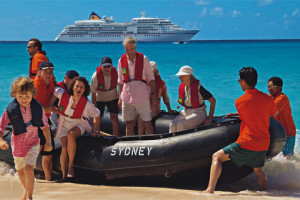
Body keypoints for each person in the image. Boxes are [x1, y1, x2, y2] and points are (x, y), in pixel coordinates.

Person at [202, 67, 278, 194]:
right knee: (258, 171)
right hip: (263, 144)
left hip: (247, 142)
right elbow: (274, 112)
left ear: (243, 81)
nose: (238, 82)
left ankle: (209, 190)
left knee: (217, 157)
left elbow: (245, 115)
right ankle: (265, 193)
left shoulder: (240, 102)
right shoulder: (267, 98)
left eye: (239, 80)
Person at [0, 77, 52, 200]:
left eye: (27, 96)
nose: (24, 99)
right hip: (17, 144)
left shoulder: (37, 108)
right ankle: (26, 192)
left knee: (29, 168)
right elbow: (1, 126)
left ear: (32, 94)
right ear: (15, 94)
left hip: (33, 142)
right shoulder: (10, 110)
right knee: (20, 170)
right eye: (21, 96)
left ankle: (29, 196)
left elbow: (45, 126)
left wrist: (48, 142)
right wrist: (1, 140)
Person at [54, 76, 101, 182]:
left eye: (81, 87)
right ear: (72, 87)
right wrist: (50, 106)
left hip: (78, 123)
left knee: (71, 135)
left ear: (85, 89)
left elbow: (97, 114)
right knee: (64, 147)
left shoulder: (86, 103)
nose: (79, 89)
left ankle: (71, 166)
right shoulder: (63, 94)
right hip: (64, 123)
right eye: (77, 86)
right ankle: (64, 176)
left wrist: (96, 130)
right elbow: (52, 91)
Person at [117, 37, 157, 136]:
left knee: (147, 122)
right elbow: (120, 81)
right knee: (129, 123)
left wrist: (153, 94)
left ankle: (150, 144)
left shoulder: (144, 59)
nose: (129, 51)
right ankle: (129, 146)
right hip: (127, 95)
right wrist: (120, 98)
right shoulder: (121, 60)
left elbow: (150, 78)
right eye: (127, 49)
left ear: (135, 47)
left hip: (142, 95)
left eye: (131, 49)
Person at [169, 65, 216, 133]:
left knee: (181, 123)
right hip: (186, 111)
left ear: (189, 76)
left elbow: (213, 101)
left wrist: (210, 118)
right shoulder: (183, 86)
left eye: (182, 75)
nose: (179, 77)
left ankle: (182, 142)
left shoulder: (199, 88)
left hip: (199, 113)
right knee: (172, 124)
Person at [33, 61, 55, 181]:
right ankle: (27, 178)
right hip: (34, 123)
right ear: (40, 72)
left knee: (49, 151)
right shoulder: (36, 85)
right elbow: (34, 108)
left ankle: (48, 180)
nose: (48, 74)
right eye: (46, 72)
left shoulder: (50, 85)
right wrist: (49, 109)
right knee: (38, 148)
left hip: (45, 121)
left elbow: (51, 104)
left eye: (50, 72)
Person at [138, 61, 172, 135]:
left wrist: (169, 110)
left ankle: (141, 138)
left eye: (151, 70)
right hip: (143, 106)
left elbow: (165, 98)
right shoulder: (143, 81)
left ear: (155, 70)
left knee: (141, 120)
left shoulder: (161, 83)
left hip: (154, 108)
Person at [268, 77, 296, 158]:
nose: (269, 89)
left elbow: (269, 111)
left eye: (272, 87)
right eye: (268, 86)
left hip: (288, 133)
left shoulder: (282, 98)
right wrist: (237, 114)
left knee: (288, 158)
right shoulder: (271, 97)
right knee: (279, 158)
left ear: (279, 87)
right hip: (278, 133)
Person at [91, 56, 120, 136]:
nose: (107, 68)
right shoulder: (95, 76)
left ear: (111, 66)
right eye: (104, 67)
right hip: (99, 98)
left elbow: (121, 87)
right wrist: (94, 106)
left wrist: (120, 100)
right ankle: (96, 134)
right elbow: (92, 93)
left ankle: (116, 137)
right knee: (98, 117)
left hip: (112, 97)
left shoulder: (116, 73)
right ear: (101, 67)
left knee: (114, 118)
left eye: (108, 66)